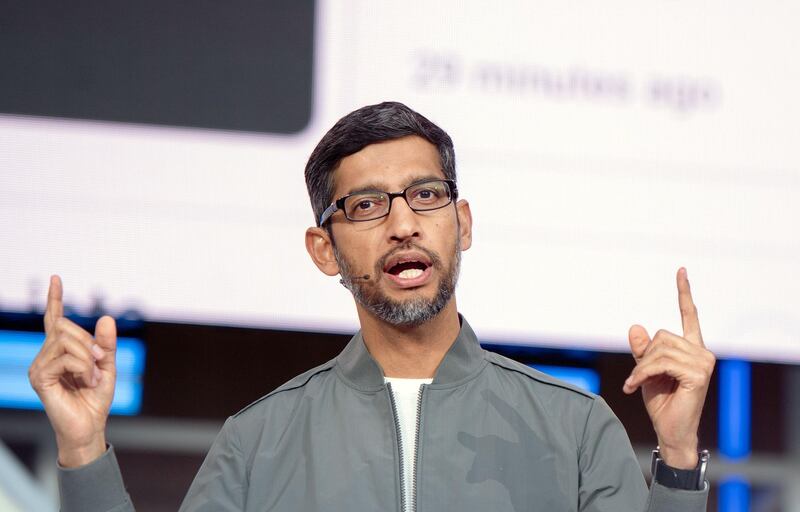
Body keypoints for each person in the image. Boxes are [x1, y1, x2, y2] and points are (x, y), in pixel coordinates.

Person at [29, 102, 715, 511]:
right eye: (365, 206)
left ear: (463, 223)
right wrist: (84, 446)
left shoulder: (574, 429)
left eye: (425, 196)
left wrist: (679, 455)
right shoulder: (257, 442)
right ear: (324, 250)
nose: (403, 223)